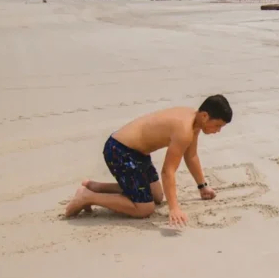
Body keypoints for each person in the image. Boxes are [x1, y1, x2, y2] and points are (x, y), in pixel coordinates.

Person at [64, 95, 233, 227]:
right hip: (119, 151)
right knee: (145, 208)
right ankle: (87, 197)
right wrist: (174, 208)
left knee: (156, 196)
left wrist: (202, 186)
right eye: (217, 125)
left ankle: (95, 186)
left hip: (137, 153)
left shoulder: (193, 120)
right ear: (205, 116)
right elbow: (168, 172)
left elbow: (191, 156)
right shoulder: (184, 130)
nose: (218, 131)